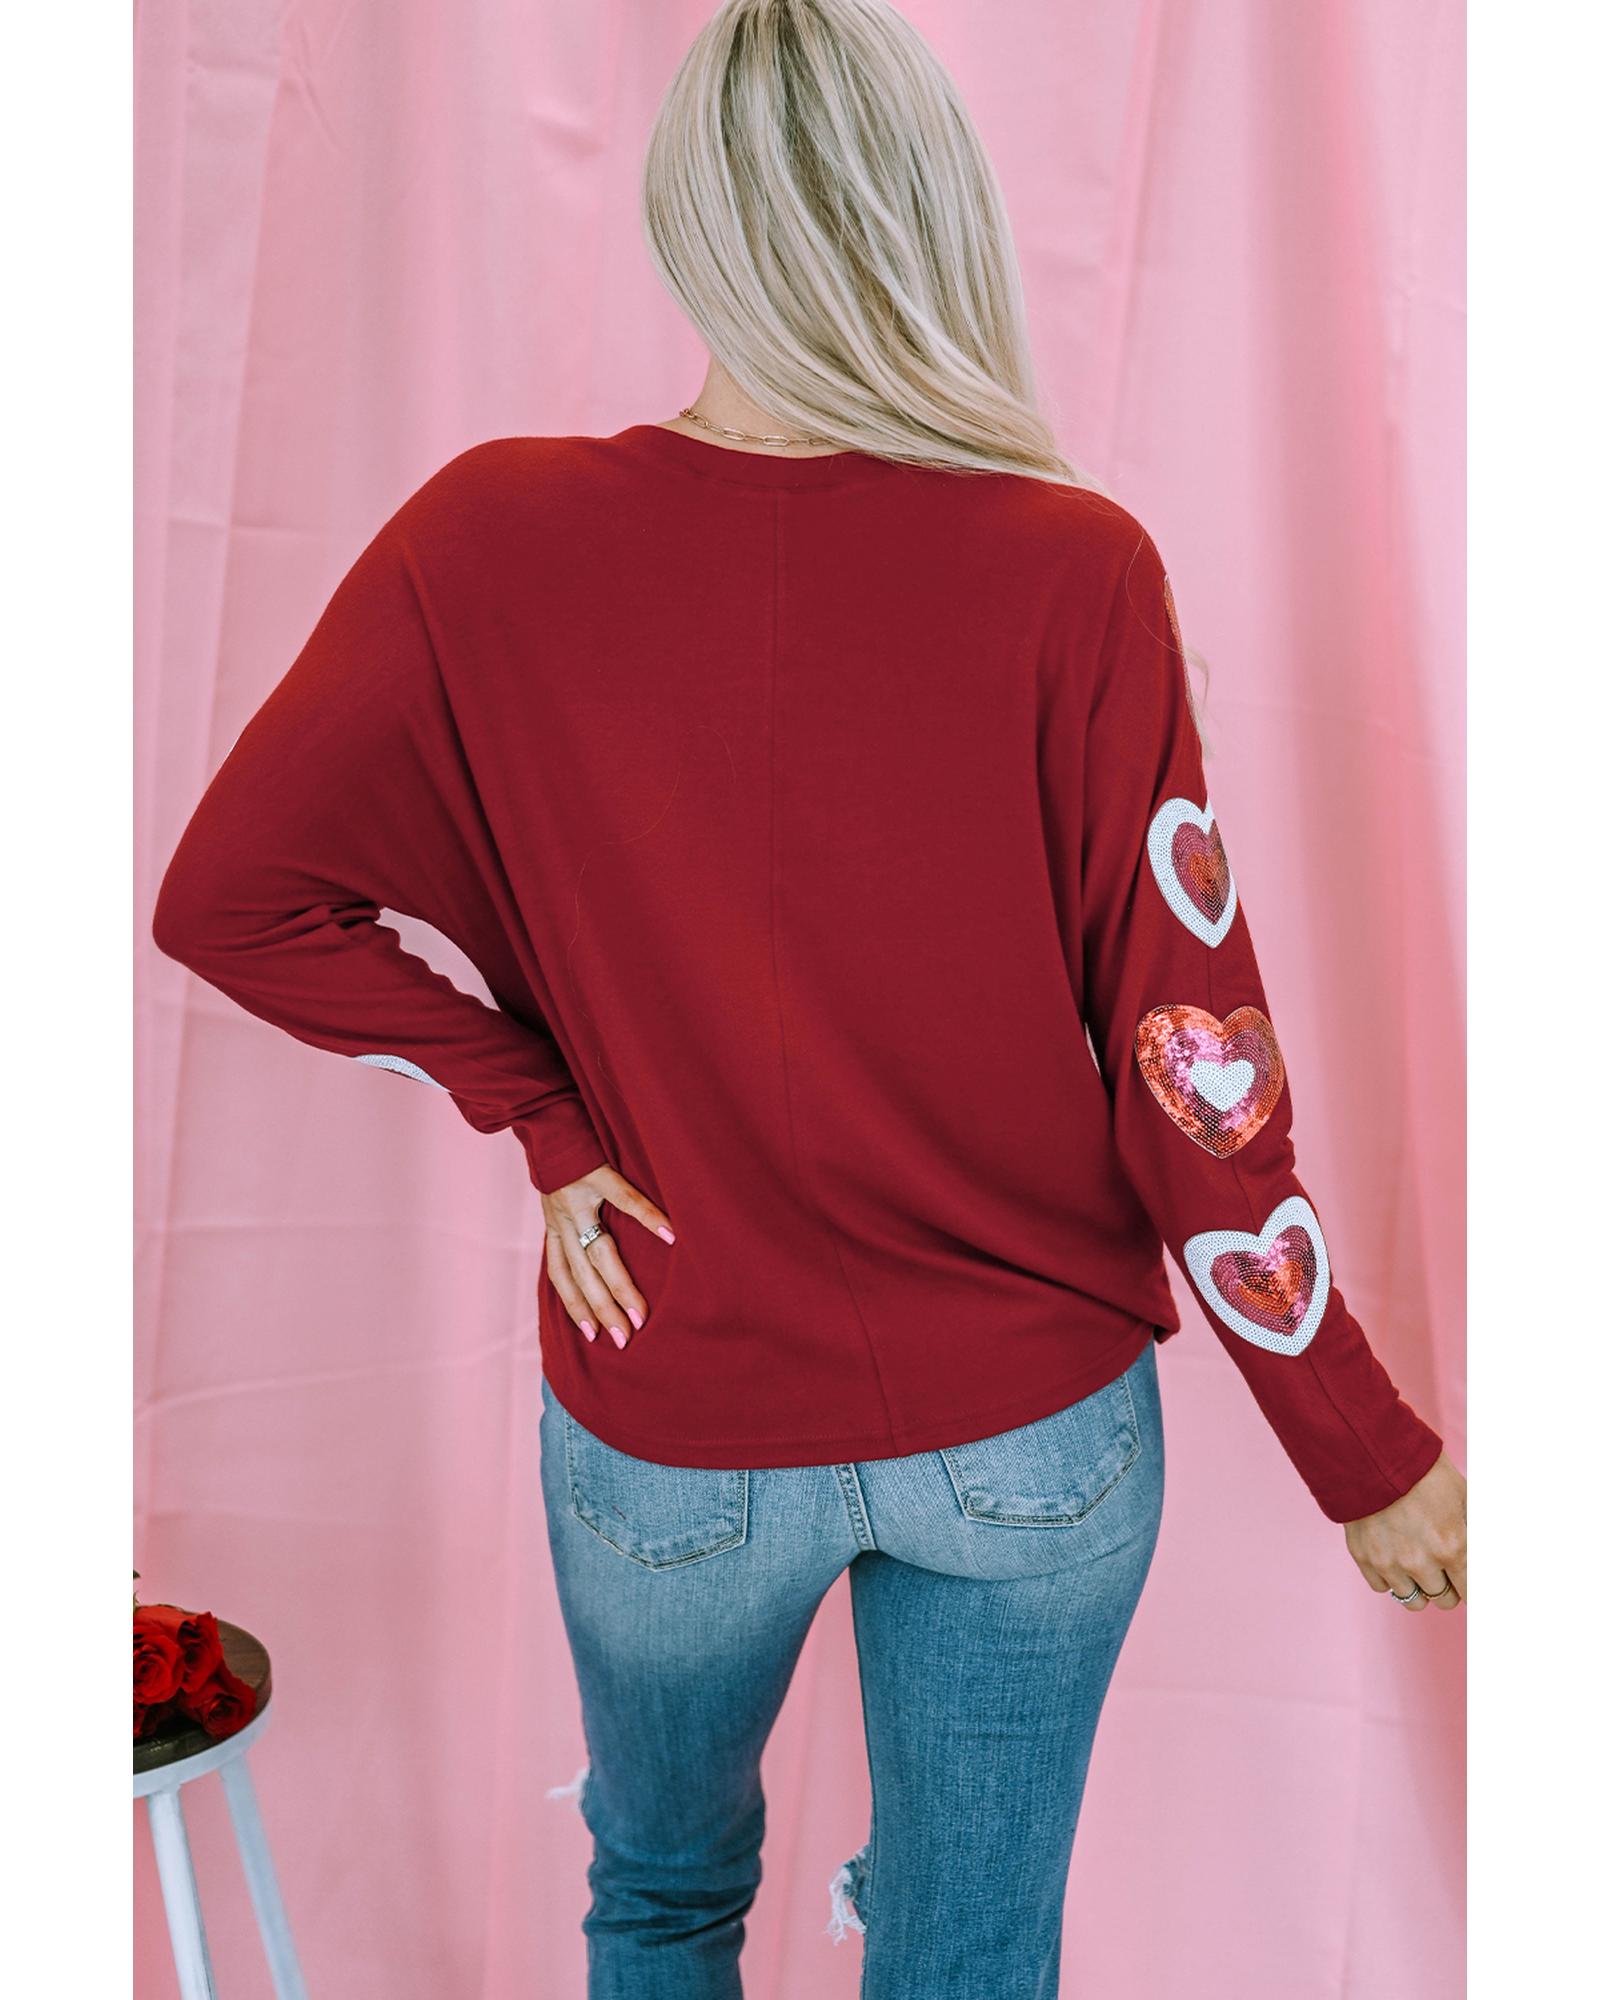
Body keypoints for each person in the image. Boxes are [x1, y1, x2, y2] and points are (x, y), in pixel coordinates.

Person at [149, 1, 1466, 1994]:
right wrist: (1361, 1447)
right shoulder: (1076, 568)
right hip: (1033, 1430)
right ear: (933, 218)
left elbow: (228, 901)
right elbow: (1191, 1068)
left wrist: (542, 1113)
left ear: (686, 224)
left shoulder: (485, 540)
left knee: (661, 1897)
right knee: (968, 1953)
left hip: (674, 1400)